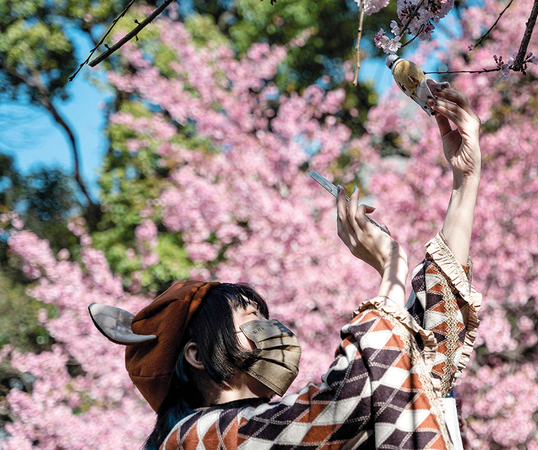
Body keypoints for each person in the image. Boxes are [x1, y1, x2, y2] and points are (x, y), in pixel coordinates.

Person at [89, 86, 482, 450]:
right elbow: (349, 399)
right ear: (196, 355)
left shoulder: (268, 426)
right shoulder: (192, 438)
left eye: (264, 316)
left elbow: (420, 363)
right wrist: (391, 269)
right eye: (250, 319)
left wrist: (464, 182)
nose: (271, 328)